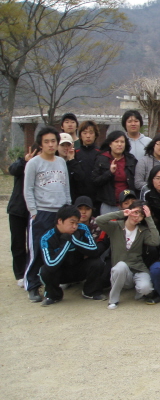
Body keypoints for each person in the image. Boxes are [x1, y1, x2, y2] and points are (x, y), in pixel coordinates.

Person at [23, 126, 72, 302]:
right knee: (37, 249)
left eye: (53, 141)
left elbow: (66, 187)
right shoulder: (33, 163)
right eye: (47, 142)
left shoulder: (61, 162)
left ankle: (51, 285)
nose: (51, 145)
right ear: (41, 144)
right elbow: (28, 189)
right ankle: (32, 285)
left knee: (55, 250)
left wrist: (68, 208)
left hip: (59, 213)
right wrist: (33, 212)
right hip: (41, 213)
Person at [96, 200, 160, 310]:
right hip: (120, 270)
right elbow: (99, 220)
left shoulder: (142, 230)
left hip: (138, 268)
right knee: (121, 266)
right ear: (130, 211)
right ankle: (113, 300)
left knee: (146, 289)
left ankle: (139, 293)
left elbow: (156, 241)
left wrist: (149, 218)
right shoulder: (115, 227)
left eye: (141, 215)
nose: (137, 217)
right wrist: (122, 213)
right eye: (136, 212)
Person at [37, 205, 106, 306]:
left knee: (97, 263)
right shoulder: (46, 238)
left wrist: (74, 240)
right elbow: (51, 264)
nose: (75, 226)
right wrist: (66, 243)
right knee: (45, 271)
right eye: (71, 222)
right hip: (60, 273)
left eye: (76, 223)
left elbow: (94, 250)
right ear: (60, 221)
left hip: (79, 268)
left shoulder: (83, 228)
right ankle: (54, 296)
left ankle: (91, 292)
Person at [8, 144, 39, 288]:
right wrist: (24, 161)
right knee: (18, 243)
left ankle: (31, 271)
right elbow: (12, 170)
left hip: (35, 210)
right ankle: (20, 274)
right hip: (18, 209)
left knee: (33, 243)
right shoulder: (24, 163)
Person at [92, 131, 137, 214]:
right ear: (110, 144)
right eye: (116, 142)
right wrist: (110, 172)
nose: (119, 144)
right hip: (108, 203)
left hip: (128, 203)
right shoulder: (101, 159)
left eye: (122, 142)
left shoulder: (131, 159)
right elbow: (95, 181)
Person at [67, 120, 101, 203]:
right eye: (85, 133)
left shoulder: (100, 153)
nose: (88, 136)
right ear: (80, 135)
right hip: (77, 196)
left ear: (95, 135)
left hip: (96, 197)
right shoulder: (75, 153)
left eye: (91, 133)